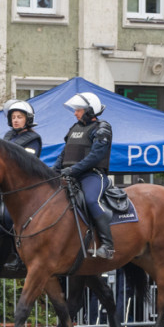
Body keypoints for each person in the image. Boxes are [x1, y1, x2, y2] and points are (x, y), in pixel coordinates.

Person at [52, 92, 120, 259]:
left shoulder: (102, 128)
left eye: (78, 110)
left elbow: (95, 156)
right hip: (70, 176)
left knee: (91, 200)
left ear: (90, 110)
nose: (75, 113)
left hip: (93, 175)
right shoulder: (74, 128)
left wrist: (73, 170)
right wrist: (53, 171)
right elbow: (64, 153)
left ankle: (107, 246)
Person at [0, 99, 42, 272]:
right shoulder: (7, 136)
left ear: (28, 119)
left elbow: (27, 163)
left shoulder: (33, 139)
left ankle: (18, 256)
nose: (16, 120)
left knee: (10, 217)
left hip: (25, 188)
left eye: (19, 117)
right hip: (5, 186)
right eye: (13, 117)